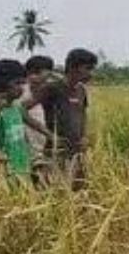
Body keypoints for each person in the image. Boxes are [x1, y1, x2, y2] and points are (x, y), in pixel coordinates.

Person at [41, 49, 96, 189]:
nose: (91, 73)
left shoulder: (81, 90)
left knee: (79, 189)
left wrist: (84, 136)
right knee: (56, 191)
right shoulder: (53, 88)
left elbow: (82, 113)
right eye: (88, 68)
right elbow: (23, 110)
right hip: (57, 152)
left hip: (77, 151)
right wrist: (49, 135)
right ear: (73, 67)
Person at [0, 60, 34, 182]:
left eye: (23, 83)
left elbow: (23, 139)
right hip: (4, 175)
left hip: (23, 171)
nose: (21, 88)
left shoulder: (16, 108)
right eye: (17, 83)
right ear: (2, 83)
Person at [19, 55, 56, 178]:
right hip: (26, 147)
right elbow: (19, 111)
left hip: (44, 146)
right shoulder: (20, 92)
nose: (46, 81)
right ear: (30, 74)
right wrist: (46, 132)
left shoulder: (50, 92)